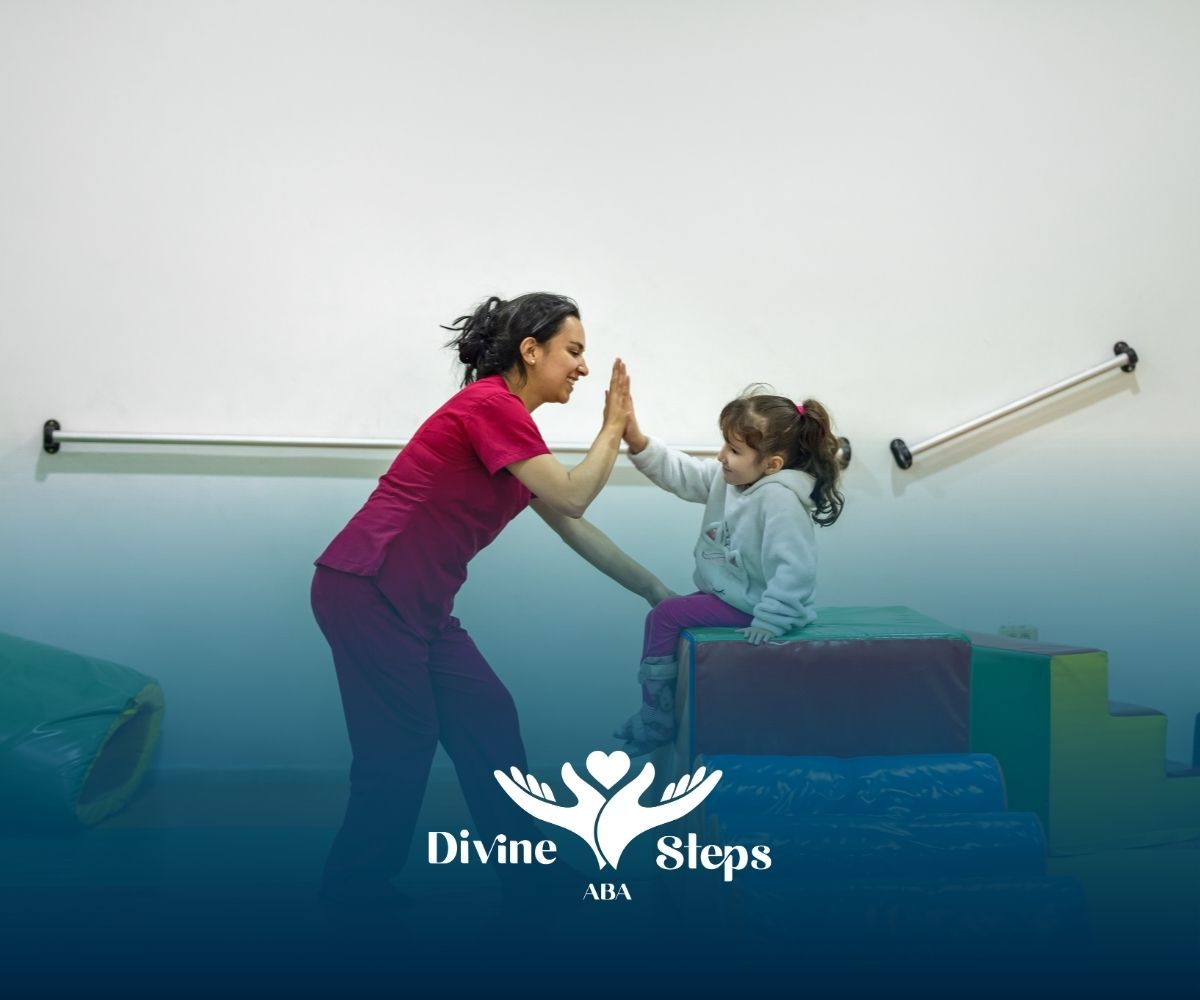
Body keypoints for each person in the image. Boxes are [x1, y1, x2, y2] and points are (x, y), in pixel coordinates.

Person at [310, 293, 671, 908]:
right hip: (368, 587)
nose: (583, 369)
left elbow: (571, 521)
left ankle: (527, 871)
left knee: (488, 719)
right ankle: (355, 888)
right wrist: (612, 426)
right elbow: (577, 496)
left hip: (421, 606)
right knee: (400, 744)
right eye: (573, 352)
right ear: (531, 351)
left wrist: (657, 593)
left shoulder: (511, 424)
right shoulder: (490, 405)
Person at [614, 387, 845, 756]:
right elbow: (683, 473)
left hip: (755, 604)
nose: (722, 457)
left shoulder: (780, 499)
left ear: (772, 464)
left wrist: (771, 619)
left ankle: (655, 714)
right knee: (669, 617)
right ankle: (661, 708)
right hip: (732, 596)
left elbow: (796, 568)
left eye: (735, 451)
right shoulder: (731, 481)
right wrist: (639, 442)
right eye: (725, 444)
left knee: (665, 616)